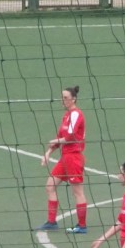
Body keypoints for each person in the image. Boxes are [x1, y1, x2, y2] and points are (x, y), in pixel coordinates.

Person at [36, 86, 88, 234]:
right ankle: (51, 222)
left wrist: (56, 141)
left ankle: (82, 226)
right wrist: (48, 153)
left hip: (73, 158)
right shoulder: (66, 116)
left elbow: (70, 137)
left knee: (77, 192)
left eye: (66, 98)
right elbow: (60, 138)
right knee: (50, 186)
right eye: (62, 97)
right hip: (65, 157)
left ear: (74, 99)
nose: (63, 100)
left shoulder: (76, 114)